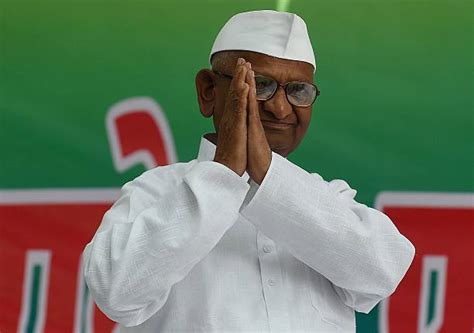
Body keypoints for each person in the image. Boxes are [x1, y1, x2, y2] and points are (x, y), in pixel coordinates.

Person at [82, 10, 415, 332]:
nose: (280, 108)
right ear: (209, 91)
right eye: (260, 85)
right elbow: (116, 293)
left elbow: (384, 270)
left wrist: (267, 173)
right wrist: (225, 172)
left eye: (298, 91)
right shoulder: (155, 191)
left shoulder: (330, 198)